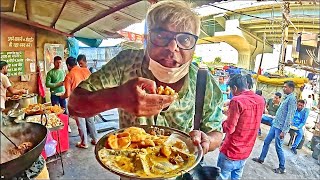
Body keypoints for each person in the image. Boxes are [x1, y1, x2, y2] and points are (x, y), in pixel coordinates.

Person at [68, 0, 224, 154]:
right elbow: (74, 105)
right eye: (162, 35)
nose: (172, 47)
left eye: (185, 39)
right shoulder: (125, 62)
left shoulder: (203, 81)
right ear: (146, 38)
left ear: (194, 45)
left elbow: (216, 132)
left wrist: (207, 141)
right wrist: (116, 97)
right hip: (129, 171)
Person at [218, 74, 265, 179]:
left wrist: (220, 121)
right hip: (246, 151)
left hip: (231, 151)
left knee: (222, 176)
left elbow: (229, 128)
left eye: (231, 89)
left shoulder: (237, 101)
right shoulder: (260, 100)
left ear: (234, 88)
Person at [252, 81, 297, 174]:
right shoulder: (287, 98)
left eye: (286, 87)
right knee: (266, 141)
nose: (284, 88)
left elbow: (289, 116)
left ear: (291, 88)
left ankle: (282, 167)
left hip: (280, 128)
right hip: (275, 124)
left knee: (278, 147)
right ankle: (261, 158)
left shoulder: (292, 99)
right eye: (283, 87)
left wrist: (284, 131)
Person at [60, 57, 97, 149]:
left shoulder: (69, 76)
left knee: (81, 122)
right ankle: (95, 139)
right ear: (76, 63)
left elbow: (67, 93)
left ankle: (84, 143)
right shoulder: (86, 70)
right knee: (90, 120)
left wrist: (61, 96)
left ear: (68, 65)